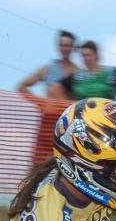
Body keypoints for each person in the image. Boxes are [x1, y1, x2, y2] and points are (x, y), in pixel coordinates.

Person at [17, 30, 78, 164]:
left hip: (67, 124)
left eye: (67, 45)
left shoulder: (78, 73)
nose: (64, 48)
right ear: (58, 46)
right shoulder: (48, 69)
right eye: (62, 45)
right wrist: (40, 103)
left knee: (65, 164)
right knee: (38, 164)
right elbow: (22, 86)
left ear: (73, 47)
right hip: (47, 121)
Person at [51, 41, 116, 106]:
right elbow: (54, 87)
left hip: (107, 117)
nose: (85, 58)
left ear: (96, 55)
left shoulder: (112, 72)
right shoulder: (77, 76)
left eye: (87, 55)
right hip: (83, 118)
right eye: (83, 56)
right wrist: (70, 106)